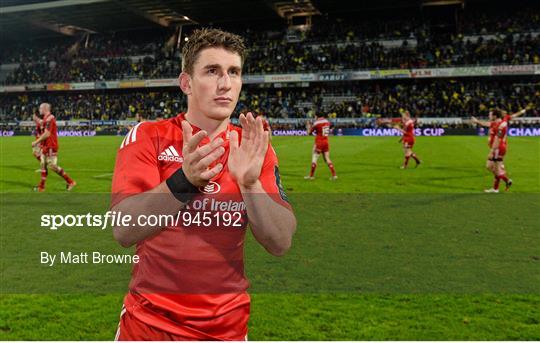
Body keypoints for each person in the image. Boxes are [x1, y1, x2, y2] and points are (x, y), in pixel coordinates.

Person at [111, 28, 296, 340]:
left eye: (234, 72)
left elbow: (280, 242)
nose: (225, 84)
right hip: (148, 328)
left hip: (227, 330)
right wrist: (185, 181)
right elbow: (124, 229)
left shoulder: (252, 147)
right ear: (187, 82)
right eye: (212, 71)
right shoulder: (147, 136)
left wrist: (250, 184)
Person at [472, 108, 526, 193]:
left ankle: (503, 183)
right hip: (497, 148)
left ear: (495, 116)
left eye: (490, 115)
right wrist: (477, 121)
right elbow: (487, 124)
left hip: (498, 149)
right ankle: (501, 184)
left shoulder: (501, 125)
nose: (488, 116)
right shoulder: (495, 123)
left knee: (493, 168)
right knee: (490, 167)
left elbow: (498, 139)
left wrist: (491, 151)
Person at [31, 103, 76, 192]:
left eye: (40, 108)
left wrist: (36, 142)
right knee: (43, 165)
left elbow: (47, 133)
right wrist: (36, 119)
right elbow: (42, 123)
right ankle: (41, 187)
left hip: (51, 146)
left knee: (52, 166)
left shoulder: (50, 118)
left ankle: (70, 181)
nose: (39, 110)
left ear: (45, 108)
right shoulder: (45, 118)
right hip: (45, 146)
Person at [304, 115, 337, 180]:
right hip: (326, 142)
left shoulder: (317, 123)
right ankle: (334, 175)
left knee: (314, 158)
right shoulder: (327, 121)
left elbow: (309, 133)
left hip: (319, 142)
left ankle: (311, 176)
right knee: (327, 158)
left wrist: (308, 126)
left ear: (316, 116)